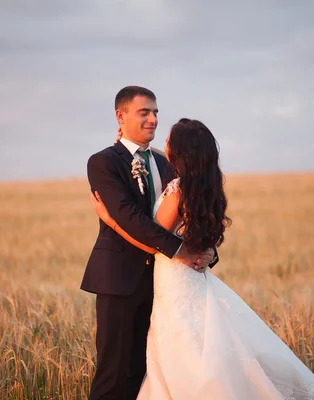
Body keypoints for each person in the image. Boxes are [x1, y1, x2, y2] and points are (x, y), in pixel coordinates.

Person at [91, 118, 314, 399]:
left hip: (174, 281)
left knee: (182, 351)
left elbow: (153, 241)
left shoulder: (176, 190)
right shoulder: (201, 186)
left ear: (180, 151)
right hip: (189, 280)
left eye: (169, 139)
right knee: (199, 349)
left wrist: (110, 221)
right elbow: (196, 230)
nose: (163, 140)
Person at [81, 86, 218, 400]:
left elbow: (193, 208)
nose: (153, 119)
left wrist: (207, 250)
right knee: (113, 376)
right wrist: (180, 251)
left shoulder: (167, 161)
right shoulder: (103, 162)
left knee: (150, 376)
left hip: (166, 286)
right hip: (120, 281)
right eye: (144, 112)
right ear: (121, 116)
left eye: (156, 112)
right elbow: (128, 216)